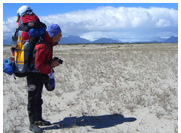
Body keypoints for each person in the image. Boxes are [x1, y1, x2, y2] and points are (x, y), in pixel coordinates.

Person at [27, 24, 62, 133]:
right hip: (33, 75)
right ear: (54, 35)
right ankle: (32, 124)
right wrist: (52, 64)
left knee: (38, 97)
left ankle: (39, 120)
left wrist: (52, 63)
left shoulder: (48, 43)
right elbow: (39, 65)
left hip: (39, 74)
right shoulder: (42, 46)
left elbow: (42, 63)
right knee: (33, 98)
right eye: (59, 34)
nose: (61, 36)